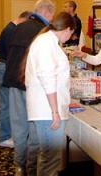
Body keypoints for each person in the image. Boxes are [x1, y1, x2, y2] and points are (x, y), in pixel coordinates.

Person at [3, 0, 55, 176]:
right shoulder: (43, 31)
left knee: (18, 126)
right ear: (47, 12)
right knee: (34, 127)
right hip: (31, 85)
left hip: (13, 81)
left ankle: (19, 165)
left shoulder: (19, 26)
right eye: (52, 14)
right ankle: (31, 167)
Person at [24, 12, 75, 176]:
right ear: (67, 29)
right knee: (51, 159)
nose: (70, 37)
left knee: (47, 157)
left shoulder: (48, 41)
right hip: (47, 110)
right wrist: (54, 111)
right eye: (71, 33)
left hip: (46, 108)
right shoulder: (46, 43)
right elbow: (47, 78)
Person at [0, 11, 32, 149]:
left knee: (7, 103)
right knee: (6, 104)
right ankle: (3, 137)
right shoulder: (12, 31)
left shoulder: (10, 28)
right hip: (5, 67)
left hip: (3, 66)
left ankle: (5, 134)